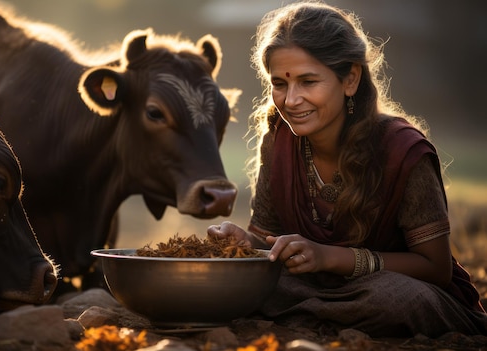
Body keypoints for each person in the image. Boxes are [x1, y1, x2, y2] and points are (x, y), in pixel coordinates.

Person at [207, 0, 487, 337]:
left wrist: (330, 258)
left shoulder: (403, 151)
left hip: (384, 289)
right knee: (242, 283)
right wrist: (245, 243)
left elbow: (436, 269)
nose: (291, 100)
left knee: (397, 299)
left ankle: (309, 319)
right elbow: (269, 242)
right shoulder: (279, 139)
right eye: (280, 84)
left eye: (308, 82)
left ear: (350, 79)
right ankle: (318, 317)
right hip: (305, 286)